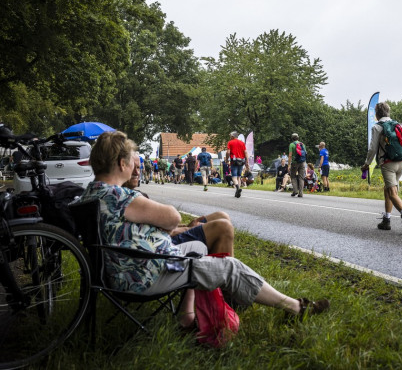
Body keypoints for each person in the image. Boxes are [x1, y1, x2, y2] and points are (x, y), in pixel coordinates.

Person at [79, 131, 329, 328]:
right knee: (230, 266)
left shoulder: (92, 194)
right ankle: (296, 308)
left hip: (124, 271)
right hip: (146, 274)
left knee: (198, 245)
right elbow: (172, 218)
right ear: (122, 163)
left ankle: (191, 315)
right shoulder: (118, 196)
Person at [361, 102, 402, 234]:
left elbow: (372, 148)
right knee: (388, 190)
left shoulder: (377, 127)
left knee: (392, 193)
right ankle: (386, 220)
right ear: (388, 112)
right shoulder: (397, 125)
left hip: (388, 163)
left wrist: (367, 164)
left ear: (377, 114)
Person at [227, 132, 249, 198]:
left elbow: (228, 152)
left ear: (233, 136)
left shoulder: (230, 142)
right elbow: (245, 152)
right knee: (239, 176)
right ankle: (237, 191)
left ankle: (237, 188)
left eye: (230, 136)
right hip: (241, 161)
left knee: (234, 176)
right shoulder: (242, 143)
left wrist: (226, 159)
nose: (230, 137)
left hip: (234, 161)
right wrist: (247, 161)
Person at [288, 134, 307, 198]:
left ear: (292, 138)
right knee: (301, 177)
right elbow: (305, 153)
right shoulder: (302, 144)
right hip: (302, 162)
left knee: (293, 176)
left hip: (295, 162)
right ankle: (301, 193)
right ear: (298, 138)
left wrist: (288, 165)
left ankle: (295, 191)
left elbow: (290, 155)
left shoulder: (291, 144)